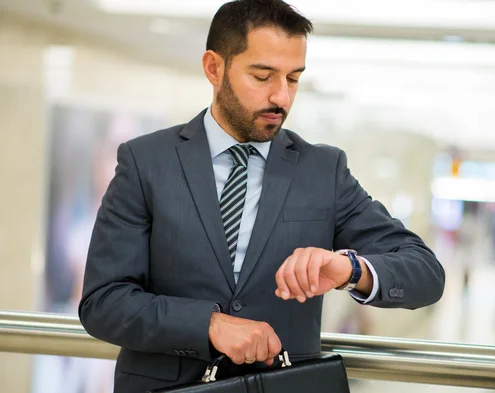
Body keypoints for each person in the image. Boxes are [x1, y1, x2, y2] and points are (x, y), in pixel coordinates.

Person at [78, 1, 446, 392]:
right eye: (263, 76)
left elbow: (425, 273)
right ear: (214, 68)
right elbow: (104, 301)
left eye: (293, 78)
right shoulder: (145, 161)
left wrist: (350, 270)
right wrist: (209, 325)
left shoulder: (324, 170)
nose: (281, 98)